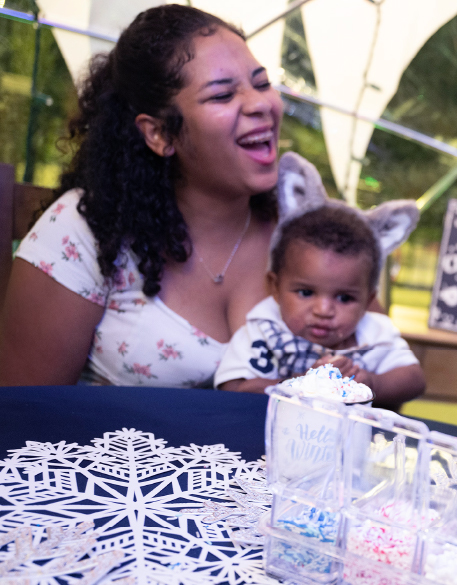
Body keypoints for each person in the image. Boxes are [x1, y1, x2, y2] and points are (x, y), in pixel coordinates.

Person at [0, 5, 282, 387]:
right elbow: (24, 415)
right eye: (222, 95)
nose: (261, 104)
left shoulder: (305, 219)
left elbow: (377, 363)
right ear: (160, 134)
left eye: (262, 83)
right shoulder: (84, 232)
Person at [215, 205, 424, 408]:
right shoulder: (263, 329)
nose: (323, 311)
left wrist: (371, 382)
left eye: (344, 298)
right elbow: (233, 388)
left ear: (367, 302)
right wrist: (303, 384)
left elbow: (414, 380)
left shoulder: (375, 334)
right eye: (305, 293)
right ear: (275, 287)